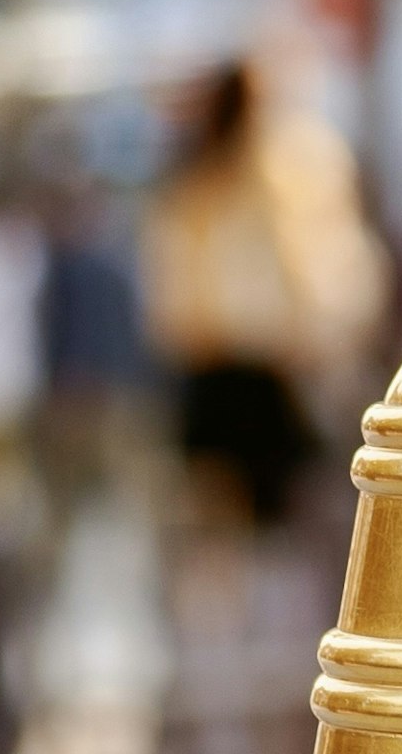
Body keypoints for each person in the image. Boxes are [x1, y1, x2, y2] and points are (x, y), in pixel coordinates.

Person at [139, 61, 388, 531]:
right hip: (263, 371)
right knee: (277, 525)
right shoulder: (293, 163)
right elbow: (327, 271)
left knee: (226, 528)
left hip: (221, 370)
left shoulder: (199, 180)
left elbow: (171, 303)